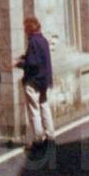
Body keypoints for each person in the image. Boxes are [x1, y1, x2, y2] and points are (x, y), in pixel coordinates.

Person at [16, 16, 54, 152]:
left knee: (34, 111)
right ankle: (50, 136)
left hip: (33, 81)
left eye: (25, 28)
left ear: (29, 29)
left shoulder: (33, 42)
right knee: (44, 107)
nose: (24, 31)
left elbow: (32, 63)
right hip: (44, 81)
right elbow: (40, 59)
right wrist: (25, 57)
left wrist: (19, 63)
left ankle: (38, 140)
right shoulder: (43, 40)